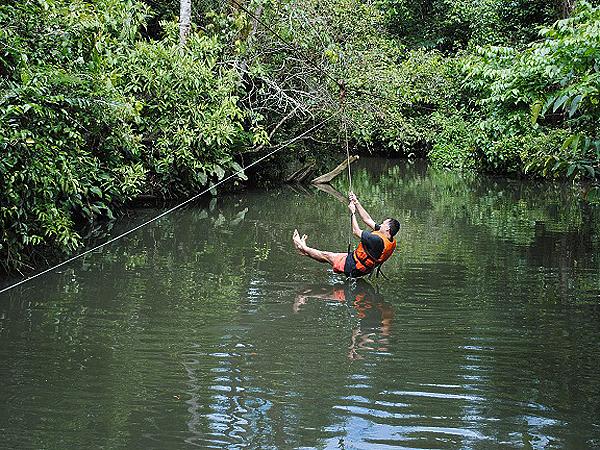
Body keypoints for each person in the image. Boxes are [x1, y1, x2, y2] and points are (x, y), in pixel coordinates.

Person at [292, 191, 400, 278]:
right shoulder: (389, 238)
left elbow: (356, 231)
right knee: (327, 257)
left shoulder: (377, 240)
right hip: (361, 266)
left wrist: (353, 212)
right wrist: (356, 202)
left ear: (388, 229)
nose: (380, 224)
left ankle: (302, 247)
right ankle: (304, 250)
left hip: (353, 266)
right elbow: (367, 219)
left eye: (383, 224)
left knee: (326, 255)